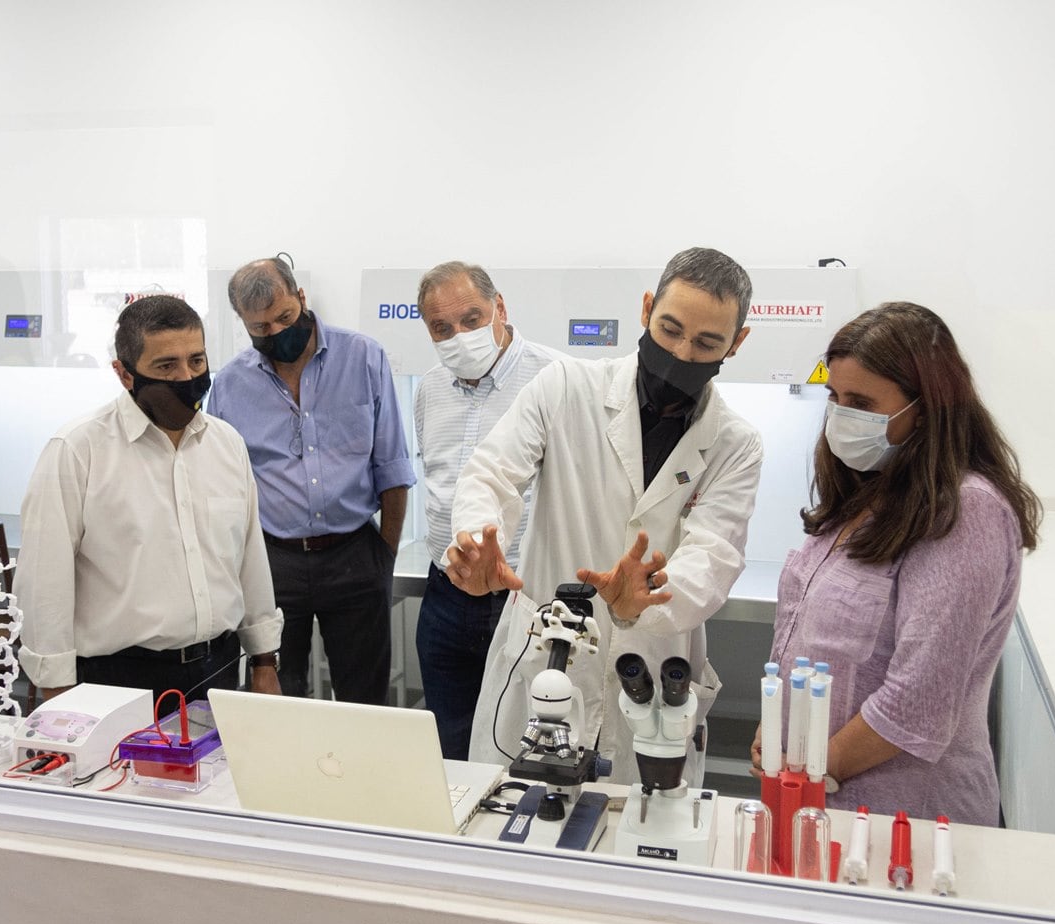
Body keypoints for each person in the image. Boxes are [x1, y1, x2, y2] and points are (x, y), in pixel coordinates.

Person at [447, 246, 764, 788]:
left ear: (737, 343)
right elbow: (493, 473)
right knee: (512, 826)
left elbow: (715, 554)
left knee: (634, 839)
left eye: (707, 343)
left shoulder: (735, 444)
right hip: (546, 659)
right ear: (646, 310)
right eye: (669, 330)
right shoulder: (566, 388)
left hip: (650, 668)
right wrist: (477, 541)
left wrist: (650, 599)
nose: (682, 354)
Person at [750, 302, 1041, 826]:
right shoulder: (866, 496)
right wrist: (777, 730)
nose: (840, 416)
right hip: (812, 797)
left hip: (904, 818)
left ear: (925, 407)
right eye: (834, 398)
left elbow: (917, 700)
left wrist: (808, 764)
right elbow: (805, 640)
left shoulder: (965, 511)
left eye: (860, 402)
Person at [15, 295, 282, 708]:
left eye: (196, 361)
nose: (186, 376)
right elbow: (44, 581)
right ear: (124, 374)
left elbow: (250, 558)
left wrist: (264, 660)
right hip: (118, 679)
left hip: (220, 670)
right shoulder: (76, 450)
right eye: (166, 366)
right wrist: (58, 696)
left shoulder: (227, 444)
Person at [207, 258, 415, 705]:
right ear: (243, 324)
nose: (277, 332)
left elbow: (392, 467)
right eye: (260, 327)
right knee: (278, 699)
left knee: (365, 702)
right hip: (272, 562)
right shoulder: (228, 385)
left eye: (284, 317)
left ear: (301, 298)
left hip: (355, 553)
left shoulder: (363, 357)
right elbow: (218, 487)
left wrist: (385, 556)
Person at [413, 261, 562, 759]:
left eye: (472, 319)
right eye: (442, 328)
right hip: (446, 598)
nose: (460, 335)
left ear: (500, 308)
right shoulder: (429, 388)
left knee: (527, 746)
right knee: (450, 746)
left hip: (524, 597)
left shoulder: (555, 381)